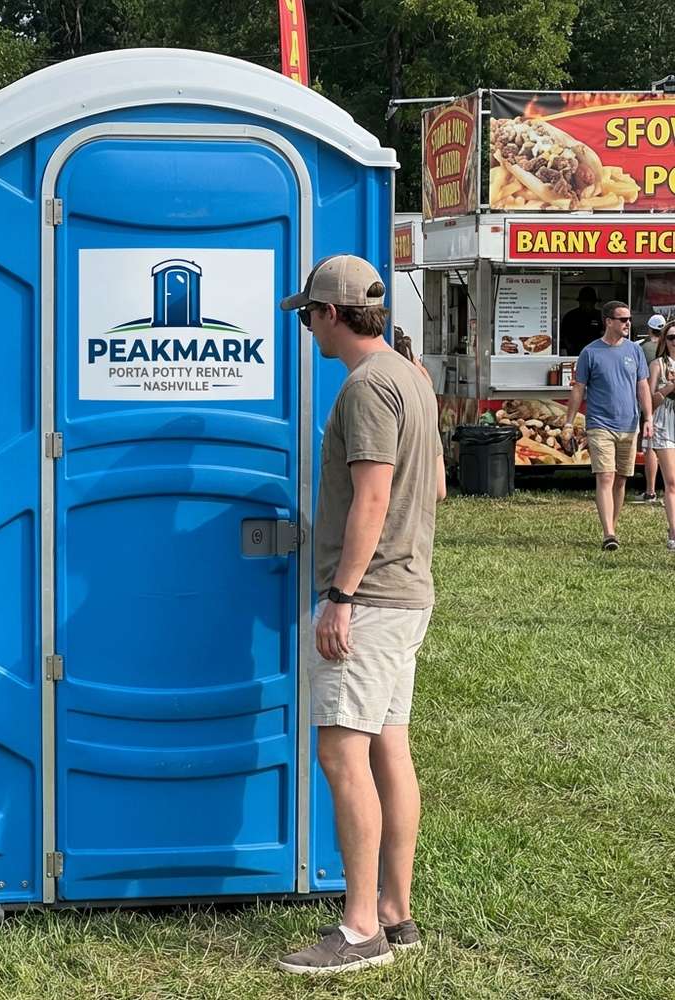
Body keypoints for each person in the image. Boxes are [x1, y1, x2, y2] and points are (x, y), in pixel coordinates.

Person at [275, 256, 445, 976]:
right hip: (408, 591)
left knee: (343, 753)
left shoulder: (367, 387)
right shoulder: (413, 377)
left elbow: (373, 498)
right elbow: (434, 486)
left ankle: (358, 931)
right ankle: (395, 916)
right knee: (388, 749)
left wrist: (341, 597)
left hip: (370, 599)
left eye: (309, 315)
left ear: (332, 316)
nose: (307, 327)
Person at [564, 301, 653, 551]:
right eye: (622, 319)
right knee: (605, 476)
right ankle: (608, 533)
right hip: (599, 423)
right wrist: (569, 422)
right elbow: (578, 389)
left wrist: (649, 419)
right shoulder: (590, 353)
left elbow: (643, 386)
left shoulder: (634, 352)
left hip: (629, 423)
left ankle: (611, 527)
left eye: (629, 319)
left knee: (621, 479)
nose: (628, 324)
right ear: (608, 322)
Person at [647, 320, 675, 550]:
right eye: (671, 338)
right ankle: (674, 530)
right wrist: (668, 388)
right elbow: (649, 401)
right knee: (672, 481)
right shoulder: (658, 365)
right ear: (664, 341)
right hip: (665, 423)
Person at [634, 314, 667, 504]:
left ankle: (651, 491)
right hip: (668, 404)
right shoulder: (668, 350)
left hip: (650, 404)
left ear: (648, 329)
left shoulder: (641, 348)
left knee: (650, 449)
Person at [561, 286, 604, 357]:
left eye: (589, 301)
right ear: (580, 302)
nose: (587, 304)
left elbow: (606, 334)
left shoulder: (600, 316)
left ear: (594, 302)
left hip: (596, 353)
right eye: (584, 301)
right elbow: (564, 336)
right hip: (576, 354)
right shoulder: (571, 316)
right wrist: (570, 349)